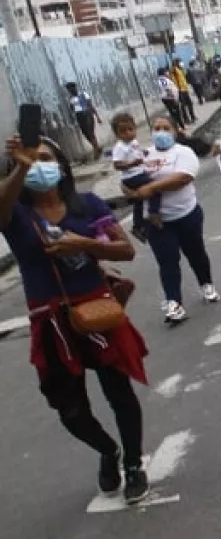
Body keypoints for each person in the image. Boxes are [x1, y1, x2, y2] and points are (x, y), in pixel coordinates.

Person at [0, 134, 151, 504]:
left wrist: (84, 244)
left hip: (98, 312)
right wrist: (19, 167)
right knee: (69, 409)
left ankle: (133, 464)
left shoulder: (87, 204)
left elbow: (126, 249)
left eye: (46, 158)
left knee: (120, 393)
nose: (39, 165)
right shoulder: (16, 214)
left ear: (62, 165)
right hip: (51, 322)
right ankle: (108, 450)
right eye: (31, 160)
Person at [124, 115, 220, 325]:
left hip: (186, 215)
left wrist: (151, 188)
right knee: (167, 262)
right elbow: (128, 180)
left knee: (196, 253)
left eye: (166, 128)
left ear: (175, 131)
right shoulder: (144, 155)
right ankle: (174, 303)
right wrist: (131, 191)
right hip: (157, 222)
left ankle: (206, 283)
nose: (160, 132)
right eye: (156, 128)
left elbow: (183, 178)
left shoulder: (183, 152)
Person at [108, 113, 162, 241]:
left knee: (139, 201)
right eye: (123, 131)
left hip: (139, 173)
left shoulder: (134, 142)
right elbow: (117, 165)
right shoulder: (119, 147)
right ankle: (153, 213)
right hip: (132, 177)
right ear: (117, 134)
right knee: (156, 188)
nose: (128, 133)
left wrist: (144, 152)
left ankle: (137, 226)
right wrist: (132, 164)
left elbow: (137, 152)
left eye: (130, 129)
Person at [64, 81, 102, 160]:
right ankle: (97, 147)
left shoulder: (83, 94)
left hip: (87, 114)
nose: (71, 90)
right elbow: (72, 110)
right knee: (86, 134)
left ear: (75, 88)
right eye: (69, 89)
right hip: (79, 117)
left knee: (90, 132)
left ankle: (96, 150)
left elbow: (90, 105)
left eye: (72, 88)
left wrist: (97, 116)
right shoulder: (71, 99)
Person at [156, 67, 185, 132]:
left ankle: (180, 126)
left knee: (175, 113)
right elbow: (167, 89)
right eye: (166, 71)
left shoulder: (164, 79)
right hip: (169, 99)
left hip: (169, 98)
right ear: (163, 72)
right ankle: (179, 127)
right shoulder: (163, 80)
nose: (168, 73)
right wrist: (173, 98)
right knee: (175, 114)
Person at [171, 58, 196, 125]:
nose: (181, 63)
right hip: (180, 90)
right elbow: (174, 79)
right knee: (183, 106)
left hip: (185, 89)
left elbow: (184, 76)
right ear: (176, 63)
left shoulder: (180, 70)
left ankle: (192, 116)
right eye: (180, 62)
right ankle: (186, 119)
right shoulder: (174, 70)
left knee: (189, 104)